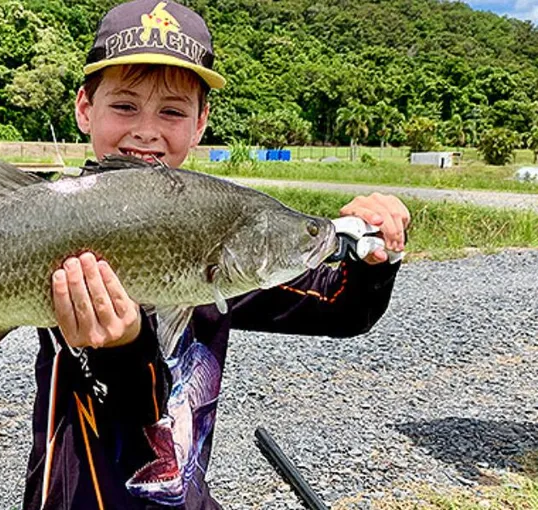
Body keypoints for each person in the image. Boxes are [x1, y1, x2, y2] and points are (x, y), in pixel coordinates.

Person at [22, 1, 410, 508]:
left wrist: (375, 258)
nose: (146, 129)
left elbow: (340, 309)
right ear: (83, 108)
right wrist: (122, 350)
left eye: (173, 111)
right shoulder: (62, 222)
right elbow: (125, 409)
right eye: (123, 106)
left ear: (201, 122)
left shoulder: (216, 242)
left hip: (184, 497)